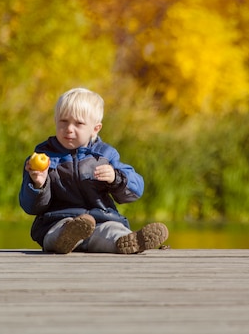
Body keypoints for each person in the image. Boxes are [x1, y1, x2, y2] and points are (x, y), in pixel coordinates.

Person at [19, 87, 168, 254]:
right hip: (57, 220)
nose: (69, 128)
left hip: (101, 220)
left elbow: (136, 189)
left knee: (111, 231)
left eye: (78, 123)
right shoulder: (43, 158)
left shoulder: (105, 155)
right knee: (55, 232)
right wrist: (38, 184)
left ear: (95, 129)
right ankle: (65, 240)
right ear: (55, 120)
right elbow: (30, 206)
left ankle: (130, 242)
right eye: (63, 121)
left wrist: (116, 178)